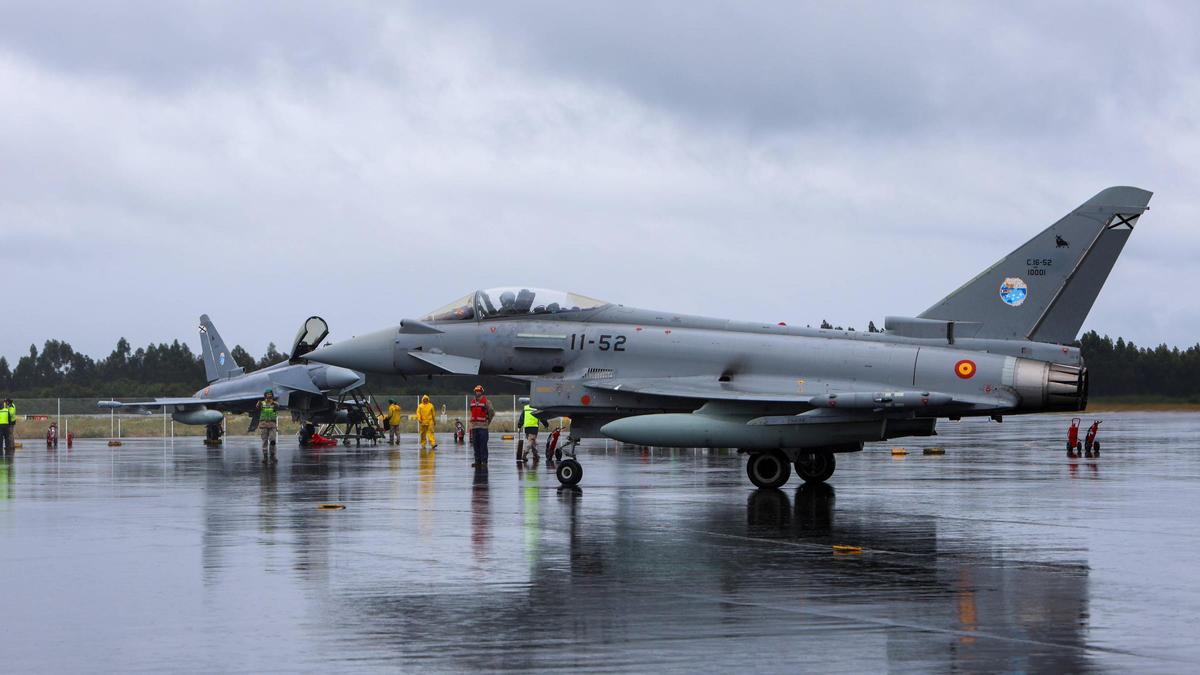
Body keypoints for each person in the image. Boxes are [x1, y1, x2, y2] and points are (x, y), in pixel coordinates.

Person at [468, 385, 494, 467]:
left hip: (483, 427)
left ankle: (484, 461)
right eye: (476, 391)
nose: (477, 392)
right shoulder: (472, 402)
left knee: (483, 445)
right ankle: (477, 461)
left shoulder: (486, 401)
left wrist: (488, 421)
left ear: (481, 392)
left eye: (479, 391)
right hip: (474, 427)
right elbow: (472, 413)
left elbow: (491, 412)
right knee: (476, 445)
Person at [257, 389, 280, 463]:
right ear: (265, 395)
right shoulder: (262, 403)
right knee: (264, 441)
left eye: (270, 394)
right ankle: (265, 457)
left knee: (272, 440)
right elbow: (258, 407)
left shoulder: (275, 403)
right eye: (267, 394)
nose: (269, 395)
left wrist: (273, 402)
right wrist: (259, 403)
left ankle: (272, 456)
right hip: (264, 424)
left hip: (272, 424)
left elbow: (277, 406)